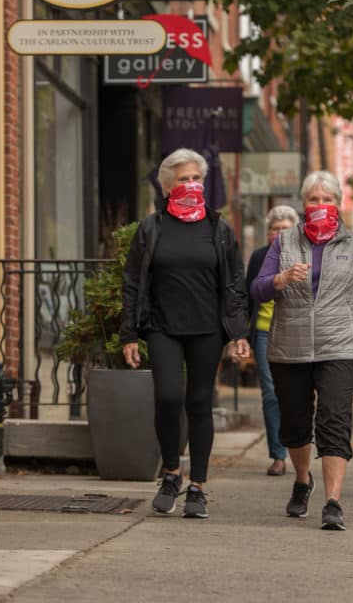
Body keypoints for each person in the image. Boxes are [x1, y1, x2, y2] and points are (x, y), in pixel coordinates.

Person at [120, 148, 250, 518]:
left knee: (199, 402)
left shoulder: (219, 229)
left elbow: (235, 283)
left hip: (208, 329)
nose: (191, 184)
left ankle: (198, 487)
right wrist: (129, 334)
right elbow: (132, 284)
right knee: (167, 396)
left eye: (196, 178)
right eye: (183, 179)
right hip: (162, 326)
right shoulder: (151, 228)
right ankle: (172, 473)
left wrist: (238, 331)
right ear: (166, 187)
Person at [251, 170, 353, 530]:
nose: (321, 206)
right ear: (304, 203)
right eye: (314, 199)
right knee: (294, 426)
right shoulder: (284, 243)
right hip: (290, 345)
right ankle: (302, 480)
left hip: (339, 344)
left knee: (334, 421)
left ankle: (333, 503)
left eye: (328, 200)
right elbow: (258, 289)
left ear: (338, 204)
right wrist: (280, 279)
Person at [246, 205, 300, 476]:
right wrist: (241, 337)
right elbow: (249, 295)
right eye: (274, 228)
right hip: (265, 331)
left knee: (295, 394)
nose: (279, 233)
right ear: (268, 232)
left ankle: (297, 447)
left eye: (285, 228)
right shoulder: (258, 257)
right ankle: (278, 455)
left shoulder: (303, 256)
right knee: (270, 393)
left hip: (296, 331)